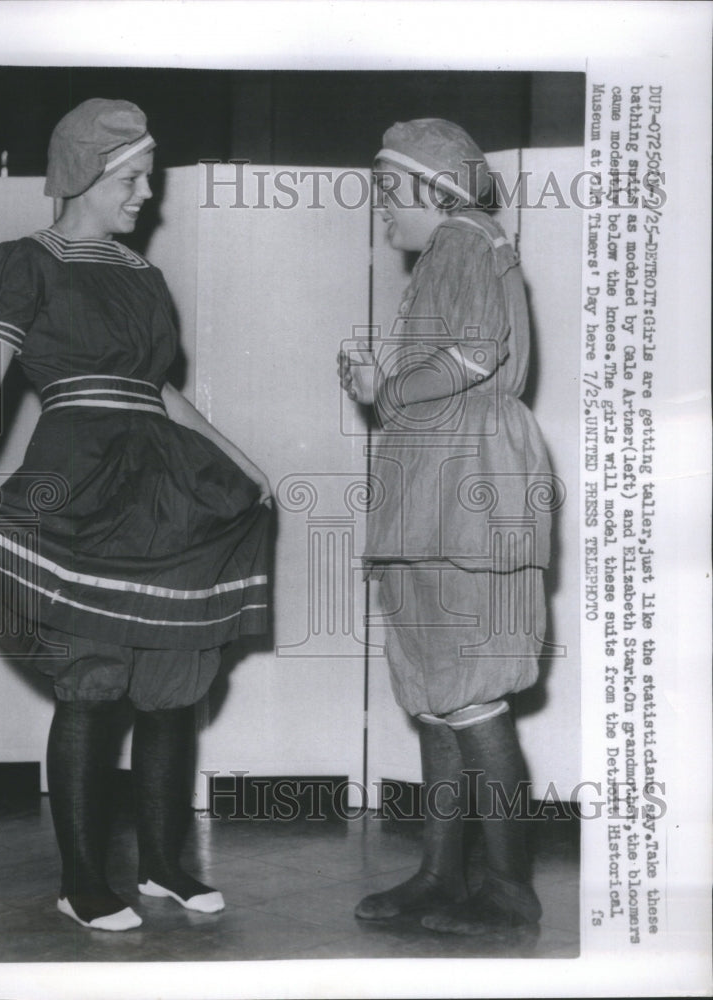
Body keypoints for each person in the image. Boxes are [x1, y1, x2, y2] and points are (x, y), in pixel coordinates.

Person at [0, 99, 272, 932]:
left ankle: (163, 865)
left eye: (146, 176)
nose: (146, 193)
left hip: (162, 478)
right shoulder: (23, 262)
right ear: (85, 174)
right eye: (131, 177)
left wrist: (241, 462)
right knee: (93, 681)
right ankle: (83, 877)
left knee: (169, 683)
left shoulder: (142, 276)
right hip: (80, 474)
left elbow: (158, 388)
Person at [338, 119, 555, 936]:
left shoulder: (467, 237)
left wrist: (386, 392)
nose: (383, 208)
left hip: (467, 487)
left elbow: (473, 353)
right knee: (438, 696)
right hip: (435, 485)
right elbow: (459, 362)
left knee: (472, 697)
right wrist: (383, 384)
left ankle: (506, 890)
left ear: (439, 189)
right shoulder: (454, 249)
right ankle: (440, 873)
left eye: (390, 190)